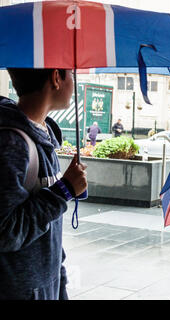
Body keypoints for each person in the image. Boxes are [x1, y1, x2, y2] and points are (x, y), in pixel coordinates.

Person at [0, 68, 88, 300]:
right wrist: (64, 190)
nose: (74, 82)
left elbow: (48, 230)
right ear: (55, 78)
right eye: (71, 74)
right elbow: (5, 232)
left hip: (45, 286)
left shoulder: (44, 136)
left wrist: (59, 283)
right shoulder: (12, 143)